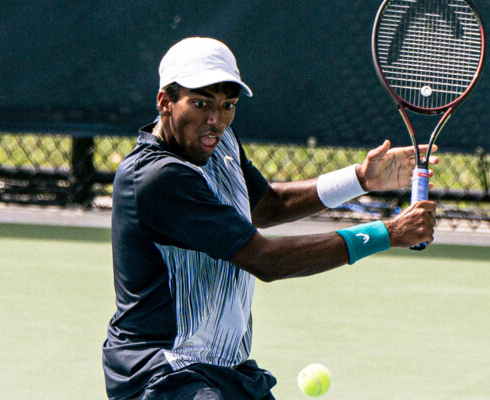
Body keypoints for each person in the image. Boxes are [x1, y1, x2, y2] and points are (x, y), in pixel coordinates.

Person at [102, 37, 437, 400]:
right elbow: (266, 260)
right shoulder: (158, 177)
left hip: (226, 366)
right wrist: (387, 233)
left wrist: (359, 179)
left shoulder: (220, 141)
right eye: (200, 104)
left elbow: (266, 206)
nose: (215, 120)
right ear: (165, 102)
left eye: (227, 105)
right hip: (161, 371)